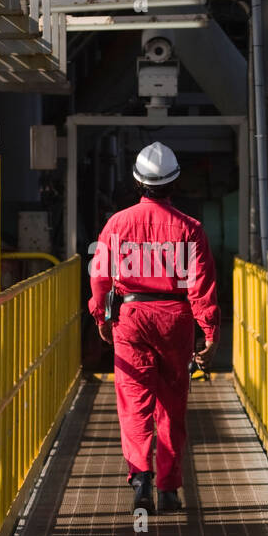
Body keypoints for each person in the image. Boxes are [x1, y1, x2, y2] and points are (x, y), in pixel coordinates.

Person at [88, 141, 220, 514]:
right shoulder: (190, 229)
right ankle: (168, 489)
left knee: (134, 402)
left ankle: (140, 475)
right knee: (171, 404)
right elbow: (202, 285)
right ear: (174, 184)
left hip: (130, 319)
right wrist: (209, 332)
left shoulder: (117, 224)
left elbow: (99, 275)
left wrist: (102, 317)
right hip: (174, 320)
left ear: (137, 182)